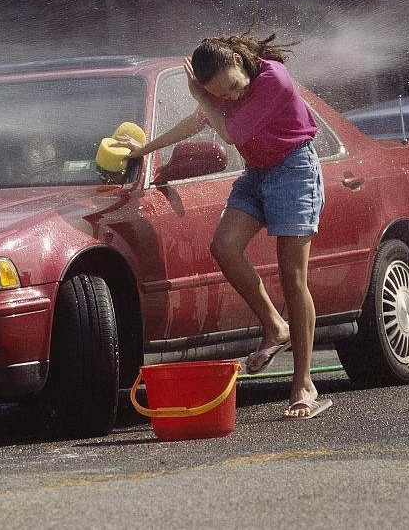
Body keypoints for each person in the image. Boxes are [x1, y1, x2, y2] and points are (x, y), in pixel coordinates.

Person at [113, 33, 330, 420]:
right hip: (259, 174)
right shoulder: (221, 91)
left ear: (238, 60)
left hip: (294, 171)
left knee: (292, 276)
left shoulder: (273, 79)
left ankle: (305, 384)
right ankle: (274, 326)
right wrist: (144, 150)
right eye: (220, 93)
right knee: (224, 248)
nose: (229, 97)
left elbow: (229, 134)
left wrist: (201, 97)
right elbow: (197, 123)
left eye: (232, 87)